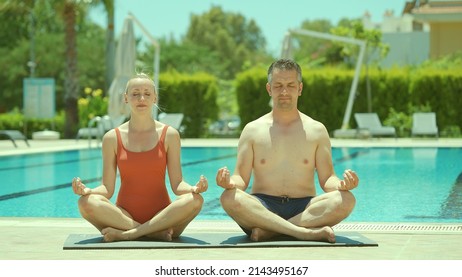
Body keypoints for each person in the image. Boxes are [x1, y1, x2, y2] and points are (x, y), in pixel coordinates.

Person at [216, 59, 358, 243]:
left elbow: (327, 178)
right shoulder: (252, 130)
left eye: (290, 85)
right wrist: (229, 183)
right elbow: (240, 179)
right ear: (269, 89)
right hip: (262, 206)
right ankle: (303, 232)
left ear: (300, 88)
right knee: (228, 197)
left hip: (304, 206)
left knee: (347, 200)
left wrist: (341, 185)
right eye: (278, 86)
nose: (284, 91)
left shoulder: (317, 130)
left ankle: (272, 231)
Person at [72, 73, 208, 242]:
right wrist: (88, 191)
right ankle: (151, 232)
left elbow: (177, 184)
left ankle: (130, 234)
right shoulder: (112, 138)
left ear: (155, 99)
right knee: (85, 203)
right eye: (135, 94)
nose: (141, 98)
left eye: (147, 94)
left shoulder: (170, 135)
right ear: (126, 98)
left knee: (195, 200)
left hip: (163, 215)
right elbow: (107, 188)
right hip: (124, 217)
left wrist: (193, 189)